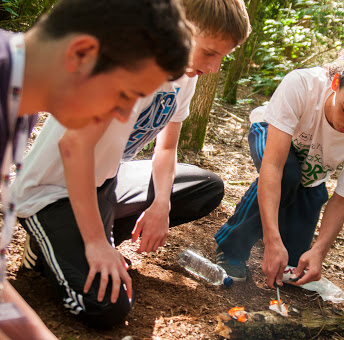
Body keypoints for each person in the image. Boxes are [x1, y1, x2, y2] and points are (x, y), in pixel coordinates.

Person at [11, 0, 251, 328]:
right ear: (181, 29)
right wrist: (97, 243)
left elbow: (166, 148)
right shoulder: (129, 62)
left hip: (108, 179)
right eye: (209, 52)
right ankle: (56, 241)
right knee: (108, 307)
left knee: (205, 187)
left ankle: (79, 244)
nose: (213, 67)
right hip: (57, 189)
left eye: (223, 57)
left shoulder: (186, 77)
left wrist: (160, 205)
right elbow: (74, 148)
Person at [214, 50, 344, 288]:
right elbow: (274, 165)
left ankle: (275, 232)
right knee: (287, 176)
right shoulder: (302, 84)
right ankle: (231, 247)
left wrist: (319, 252)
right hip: (271, 133)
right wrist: (271, 239)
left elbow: (342, 199)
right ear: (335, 82)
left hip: (311, 172)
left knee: (294, 262)